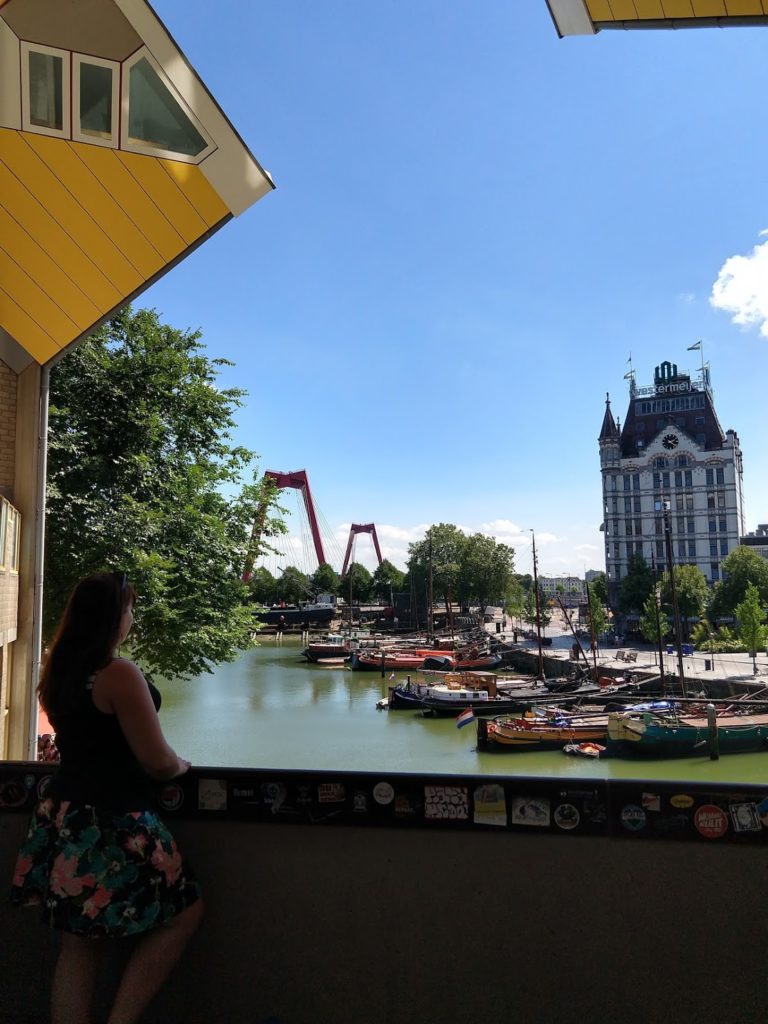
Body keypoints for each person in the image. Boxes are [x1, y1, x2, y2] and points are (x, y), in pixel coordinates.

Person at [10, 571, 202, 1024]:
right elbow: (156, 761)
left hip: (65, 816)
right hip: (116, 820)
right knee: (185, 913)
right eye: (129, 608)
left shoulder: (59, 671)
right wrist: (181, 766)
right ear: (113, 617)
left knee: (78, 945)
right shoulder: (118, 674)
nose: (132, 617)